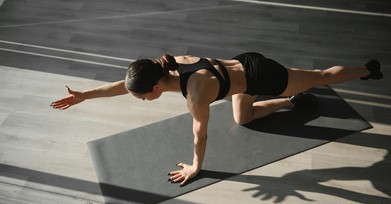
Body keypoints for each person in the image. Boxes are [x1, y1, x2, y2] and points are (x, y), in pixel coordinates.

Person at [51, 52, 383, 186]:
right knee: (243, 119)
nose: (140, 100)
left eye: (142, 97)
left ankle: (368, 70)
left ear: (155, 87)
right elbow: (121, 87)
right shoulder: (165, 67)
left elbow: (201, 134)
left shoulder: (195, 94)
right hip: (238, 78)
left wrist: (196, 167)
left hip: (260, 74)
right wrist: (83, 96)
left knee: (319, 76)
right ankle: (292, 103)